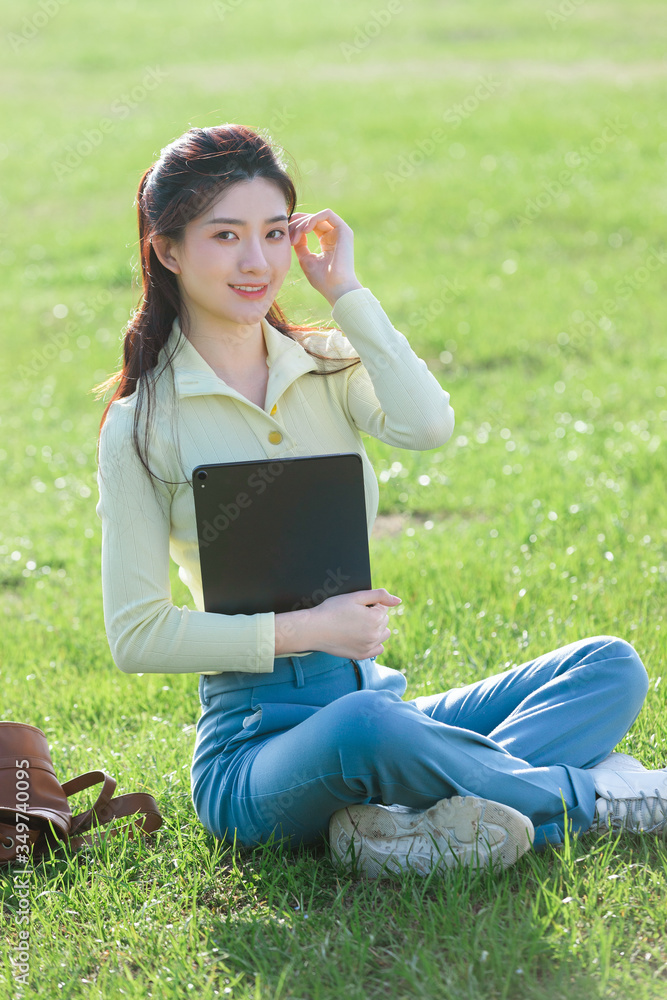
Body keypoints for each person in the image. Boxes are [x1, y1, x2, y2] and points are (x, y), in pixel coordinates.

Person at [96, 123, 667, 878]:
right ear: (168, 251)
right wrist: (308, 629)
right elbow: (137, 635)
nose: (257, 261)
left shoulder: (328, 363)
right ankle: (598, 798)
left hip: (384, 711)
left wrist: (347, 293)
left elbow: (427, 426)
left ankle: (405, 821)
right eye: (225, 235)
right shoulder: (143, 423)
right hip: (261, 747)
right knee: (367, 729)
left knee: (609, 667)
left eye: (273, 233)